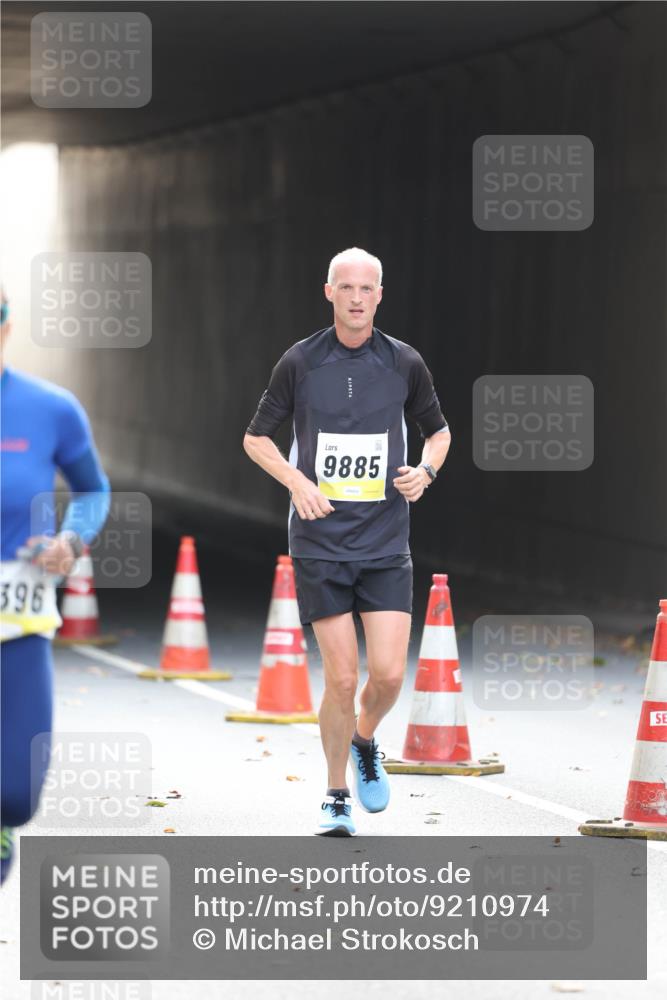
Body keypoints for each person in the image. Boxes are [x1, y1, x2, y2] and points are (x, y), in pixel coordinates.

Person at [243, 247, 451, 835]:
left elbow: (438, 433)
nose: (357, 297)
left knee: (385, 677)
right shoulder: (300, 363)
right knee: (340, 678)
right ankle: (336, 793)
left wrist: (425, 471)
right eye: (346, 287)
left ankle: (364, 740)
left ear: (380, 296)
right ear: (328, 292)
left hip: (385, 540)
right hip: (320, 541)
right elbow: (256, 439)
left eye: (368, 288)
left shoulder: (405, 363)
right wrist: (297, 480)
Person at [0, 291, 110, 881]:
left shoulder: (49, 409)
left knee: (16, 794)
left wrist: (69, 542)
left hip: (18, 624)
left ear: (6, 330)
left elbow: (93, 489)